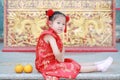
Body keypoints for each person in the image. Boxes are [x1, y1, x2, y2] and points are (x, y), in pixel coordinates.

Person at [35, 9, 113, 80]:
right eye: (58, 23)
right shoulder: (49, 36)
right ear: (50, 24)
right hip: (45, 66)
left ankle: (97, 63)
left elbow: (60, 58)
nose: (61, 26)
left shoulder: (54, 36)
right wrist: (62, 52)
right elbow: (58, 56)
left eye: (63, 24)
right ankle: (98, 67)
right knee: (72, 67)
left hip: (51, 63)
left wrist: (62, 52)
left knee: (71, 62)